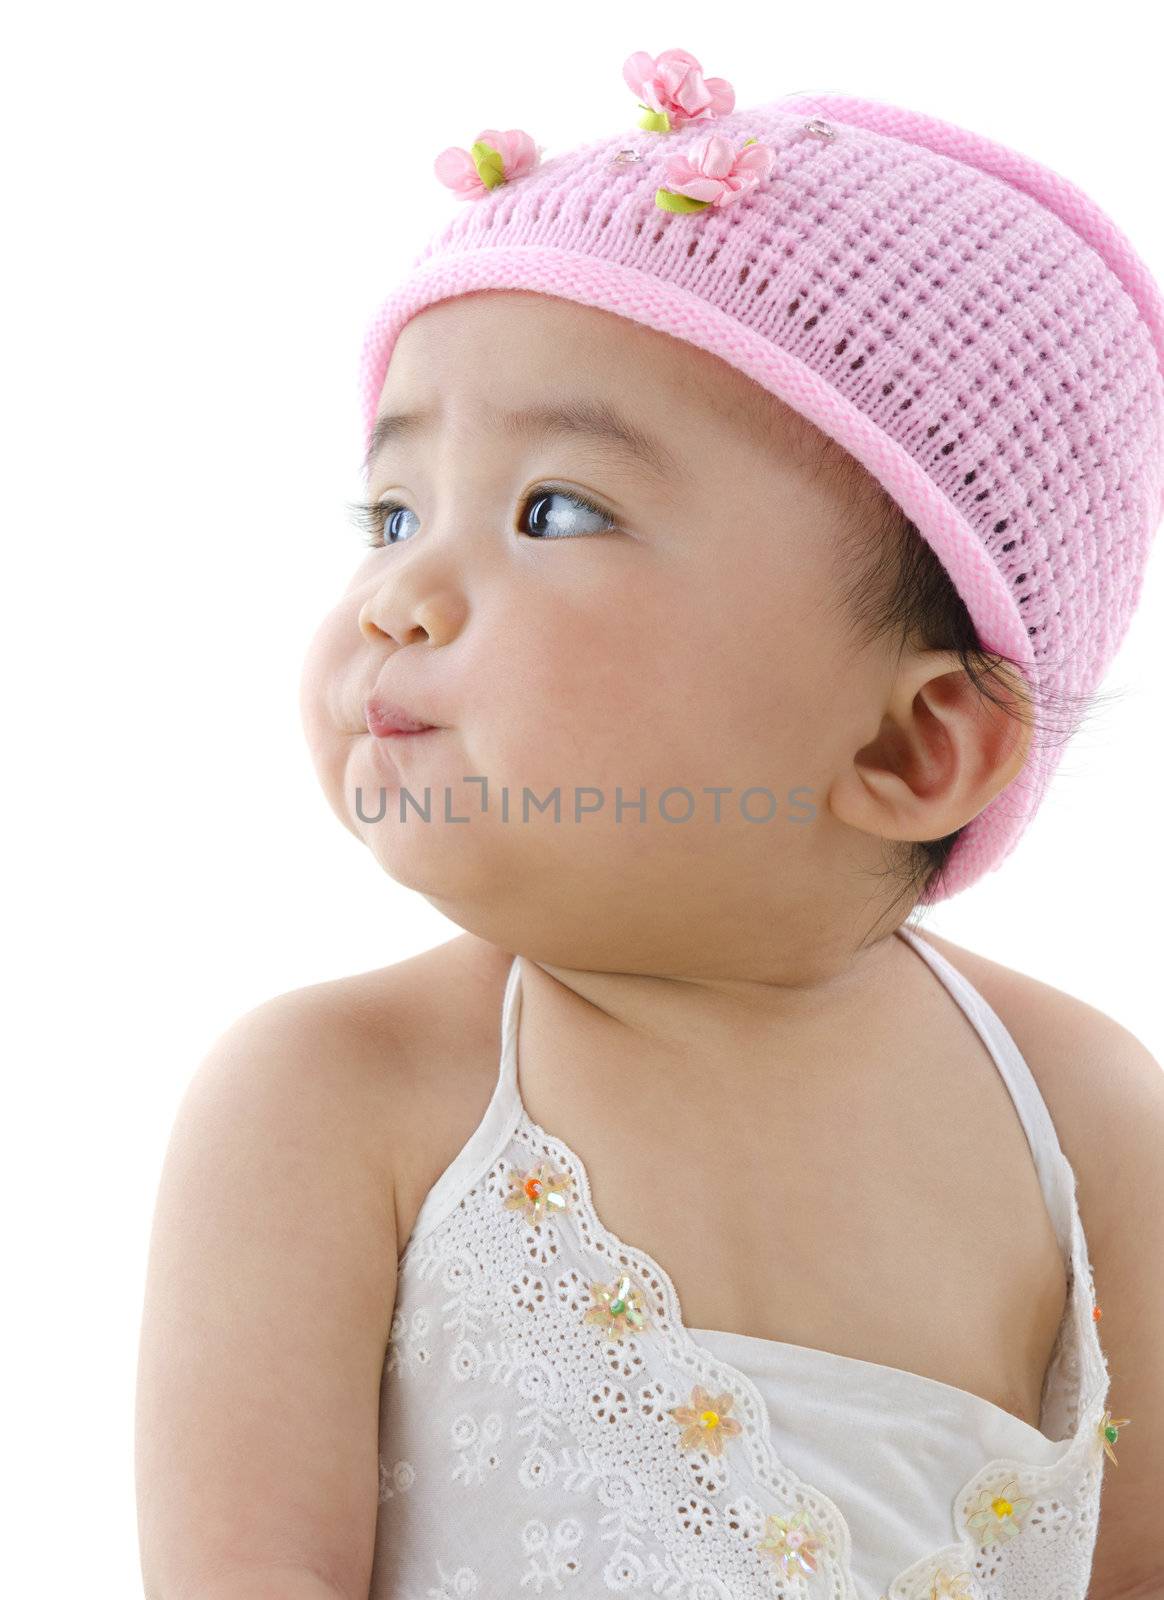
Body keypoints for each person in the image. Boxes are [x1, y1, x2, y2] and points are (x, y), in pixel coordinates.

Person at [135, 50, 1164, 1600]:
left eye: (556, 510)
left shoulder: (1087, 1120)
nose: (399, 597)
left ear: (911, 741)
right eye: (394, 513)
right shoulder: (337, 1106)